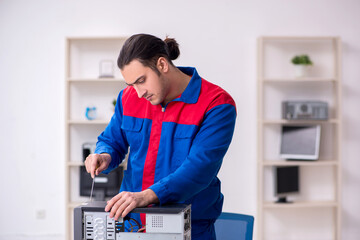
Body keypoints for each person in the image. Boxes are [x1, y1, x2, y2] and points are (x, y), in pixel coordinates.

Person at [85, 33, 236, 239]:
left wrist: (146, 196)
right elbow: (112, 140)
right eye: (132, 85)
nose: (138, 93)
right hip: (132, 223)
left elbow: (200, 168)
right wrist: (104, 155)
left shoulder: (216, 104)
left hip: (190, 226)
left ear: (162, 64)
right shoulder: (129, 98)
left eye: (141, 81)